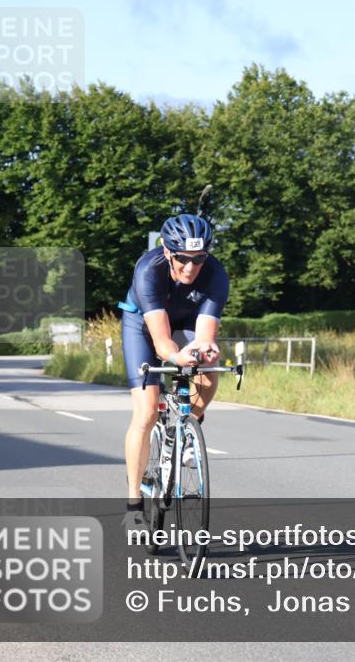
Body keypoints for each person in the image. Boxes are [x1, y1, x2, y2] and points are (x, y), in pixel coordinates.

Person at [119, 214, 228, 532]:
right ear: (167, 251)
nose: (190, 267)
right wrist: (177, 357)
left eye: (199, 258)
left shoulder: (216, 274)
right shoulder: (148, 270)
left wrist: (205, 351)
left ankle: (186, 428)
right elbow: (162, 341)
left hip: (187, 321)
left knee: (208, 367)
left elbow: (205, 335)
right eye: (182, 258)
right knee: (146, 412)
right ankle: (133, 506)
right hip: (143, 325)